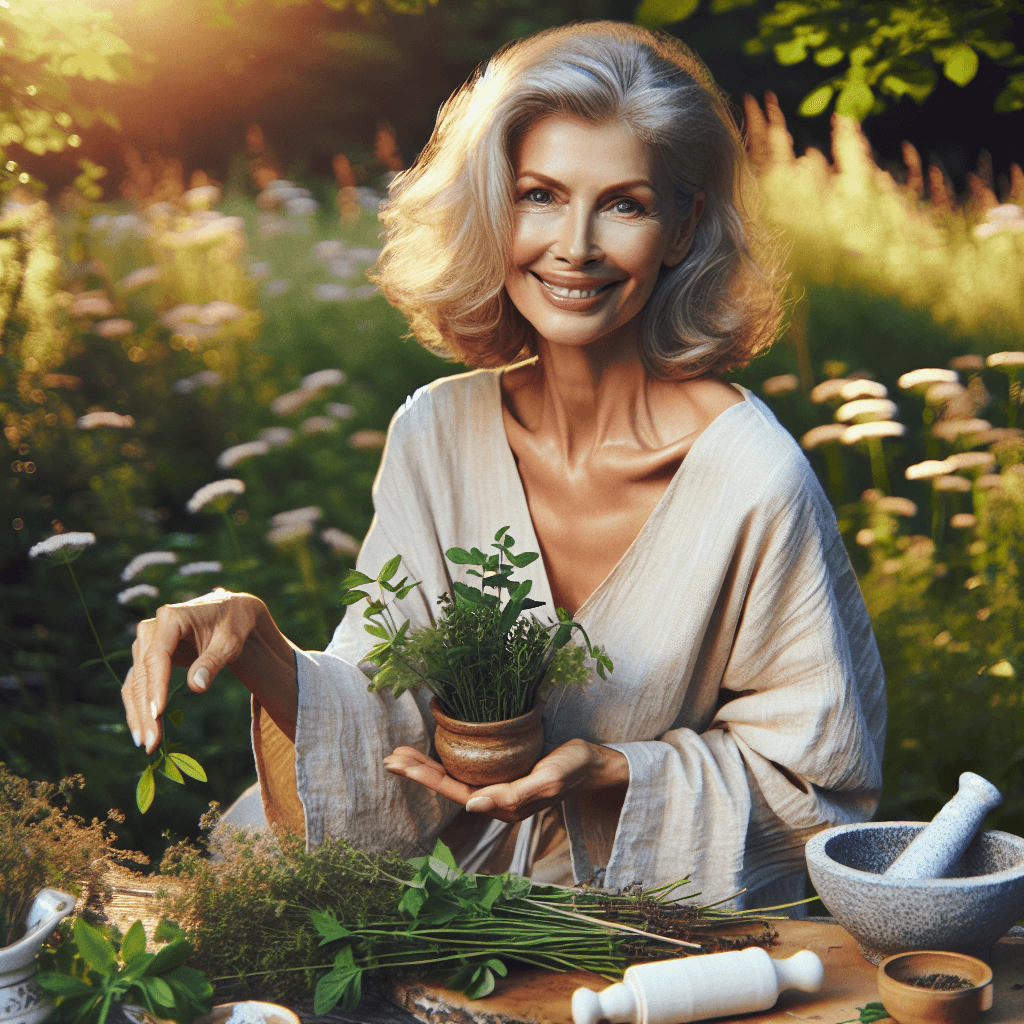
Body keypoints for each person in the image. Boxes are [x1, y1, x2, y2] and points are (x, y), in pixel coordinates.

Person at [121, 21, 886, 907]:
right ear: (496, 207)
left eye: (626, 204)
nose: (577, 245)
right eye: (540, 195)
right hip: (423, 893)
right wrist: (260, 645)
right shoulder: (435, 433)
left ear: (682, 230)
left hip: (623, 913)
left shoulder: (756, 481)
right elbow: (385, 719)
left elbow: (817, 788)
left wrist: (609, 770)